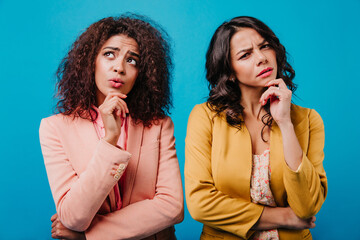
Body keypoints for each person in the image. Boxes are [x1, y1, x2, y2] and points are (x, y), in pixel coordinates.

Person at [39, 14, 183, 240]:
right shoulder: (54, 128)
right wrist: (110, 140)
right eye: (109, 54)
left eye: (132, 60)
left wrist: (89, 235)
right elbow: (73, 217)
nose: (119, 67)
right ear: (91, 61)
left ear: (141, 74)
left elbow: (172, 206)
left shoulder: (159, 126)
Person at [185, 16, 327, 240]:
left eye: (265, 46)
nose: (262, 58)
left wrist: (285, 124)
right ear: (229, 71)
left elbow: (307, 206)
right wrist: (284, 217)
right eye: (245, 55)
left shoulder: (308, 120)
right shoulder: (205, 117)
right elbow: (200, 204)